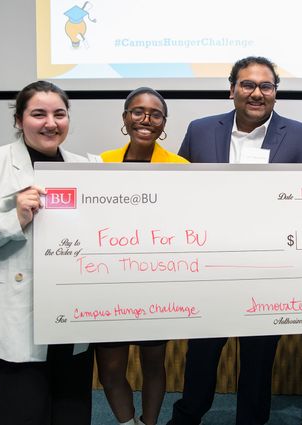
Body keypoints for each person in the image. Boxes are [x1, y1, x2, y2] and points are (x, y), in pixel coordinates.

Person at [166, 56, 302, 425]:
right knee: (201, 353)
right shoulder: (201, 130)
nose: (257, 93)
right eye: (247, 85)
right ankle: (188, 415)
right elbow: (179, 192)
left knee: (258, 358)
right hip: (210, 267)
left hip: (268, 270)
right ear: (232, 89)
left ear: (275, 93)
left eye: (266, 86)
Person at [0, 81, 94, 425]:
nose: (50, 123)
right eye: (38, 114)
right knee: (22, 416)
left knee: (71, 417)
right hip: (14, 324)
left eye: (60, 114)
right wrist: (12, 219)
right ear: (18, 120)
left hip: (68, 322)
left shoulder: (86, 166)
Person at [97, 87, 188, 425]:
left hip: (155, 282)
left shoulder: (181, 167)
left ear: (164, 123)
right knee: (110, 368)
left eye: (155, 114)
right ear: (125, 118)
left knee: (153, 363)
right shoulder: (101, 164)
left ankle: (149, 423)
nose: (146, 119)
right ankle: (127, 422)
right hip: (107, 282)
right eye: (137, 112)